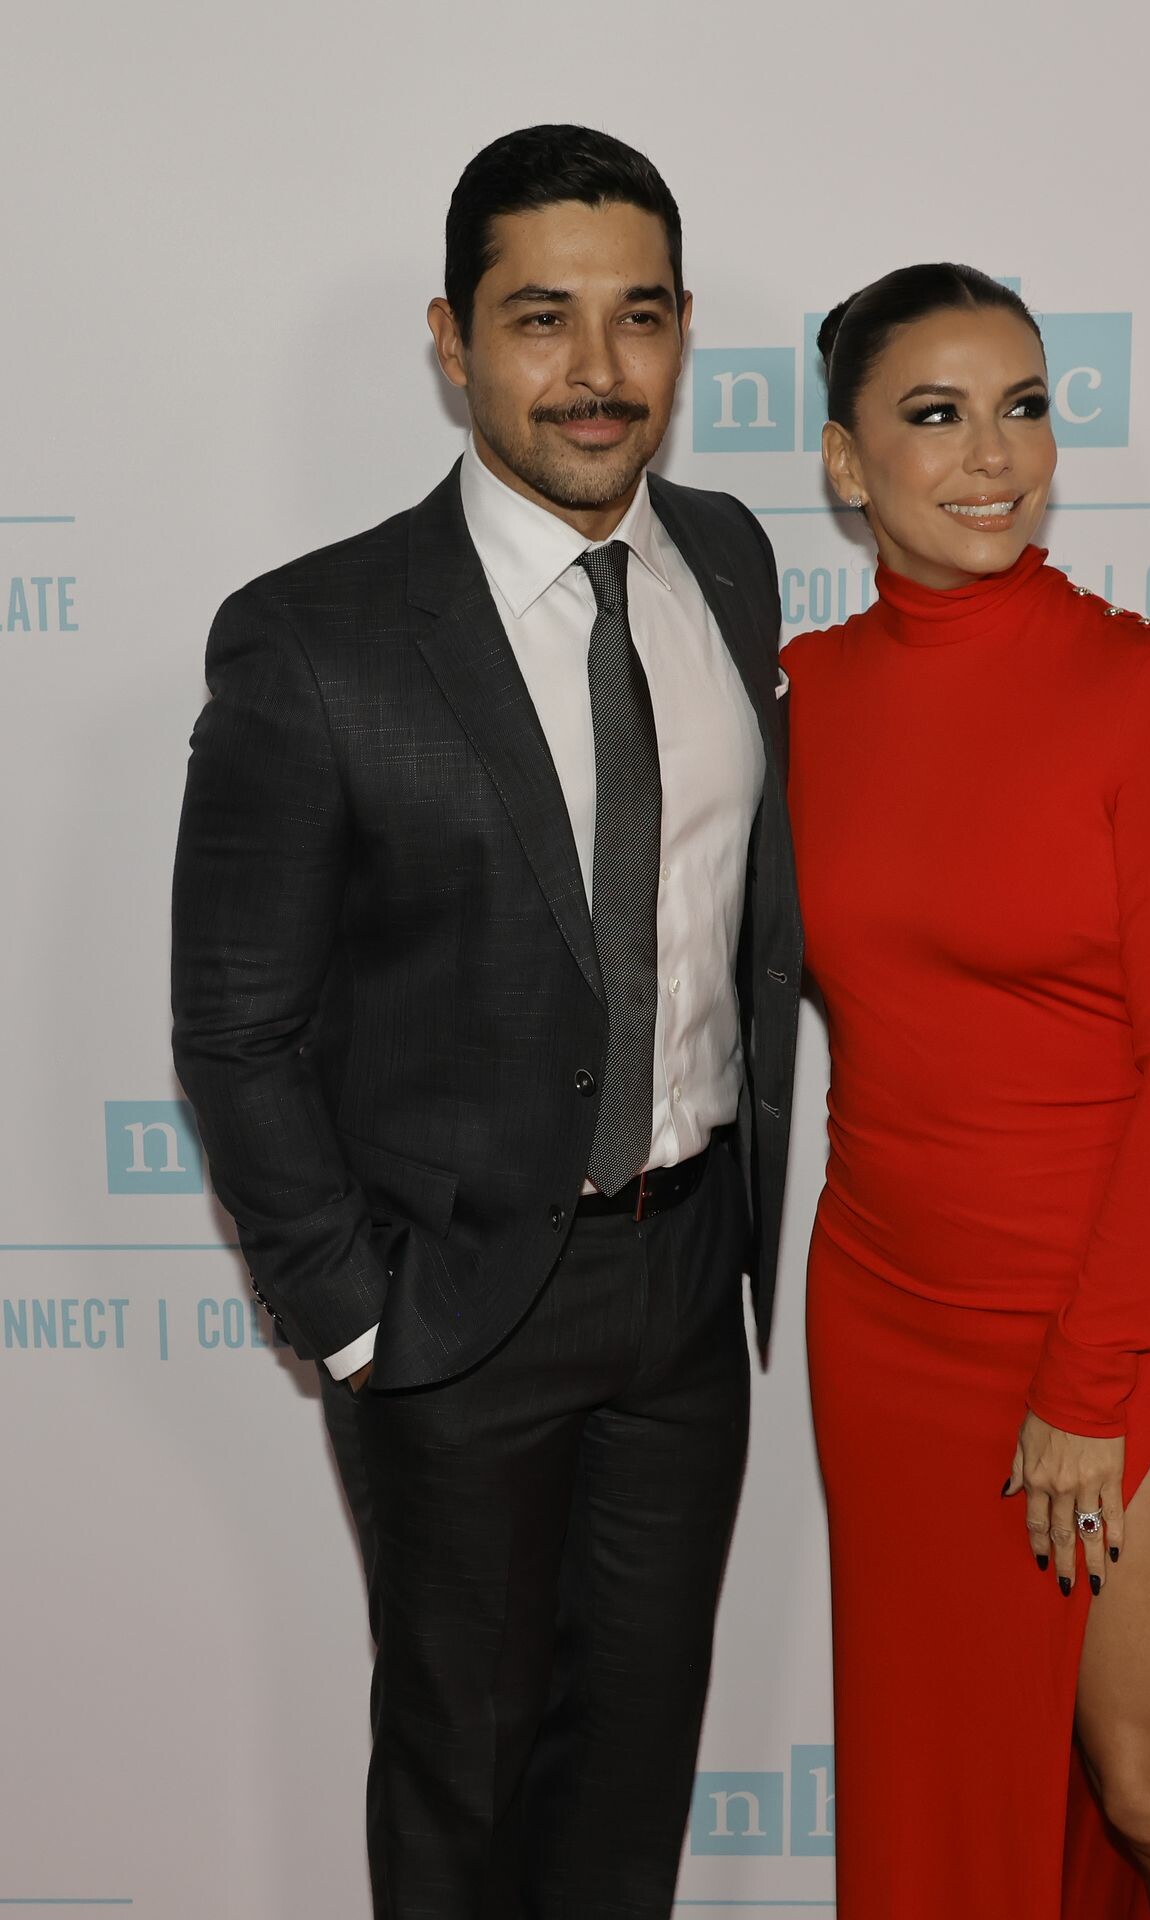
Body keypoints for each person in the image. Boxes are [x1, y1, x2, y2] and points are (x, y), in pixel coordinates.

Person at [169, 124, 802, 1920]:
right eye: (542, 317)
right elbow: (233, 1026)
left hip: (687, 1291)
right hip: (451, 1311)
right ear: (453, 340)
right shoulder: (315, 640)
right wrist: (358, 1320)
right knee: (464, 1782)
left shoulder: (732, 563)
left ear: (684, 332)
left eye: (641, 316)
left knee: (632, 1783)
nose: (598, 369)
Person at [779, 263, 1150, 1919]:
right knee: (936, 1786)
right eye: (935, 414)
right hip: (887, 1316)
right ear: (846, 461)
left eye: (1024, 407)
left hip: (1118, 1319)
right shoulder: (803, 699)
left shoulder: (1147, 687)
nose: (993, 455)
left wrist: (1084, 1374)